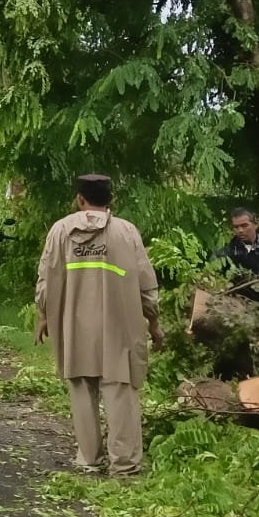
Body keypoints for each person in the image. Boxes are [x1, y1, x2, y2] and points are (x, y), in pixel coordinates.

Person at [35, 174, 162, 476]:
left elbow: (46, 280)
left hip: (74, 328)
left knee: (81, 390)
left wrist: (44, 316)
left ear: (80, 198)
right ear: (110, 199)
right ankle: (124, 463)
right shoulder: (126, 232)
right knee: (120, 391)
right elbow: (146, 285)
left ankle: (89, 458)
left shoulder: (60, 231)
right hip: (121, 327)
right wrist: (154, 323)